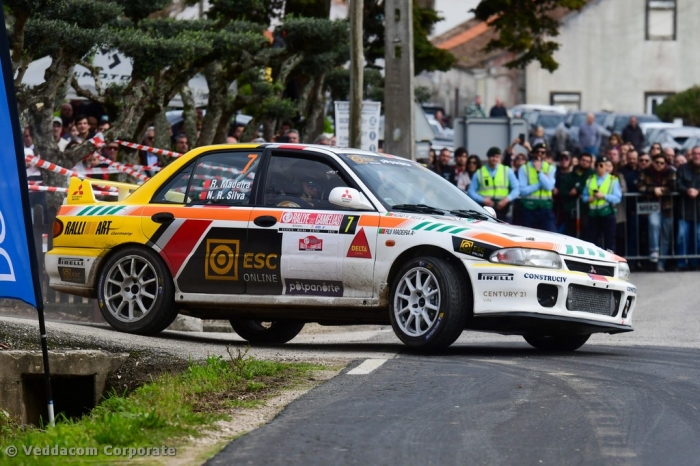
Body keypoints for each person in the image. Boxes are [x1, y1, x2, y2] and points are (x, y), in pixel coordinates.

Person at [638, 152, 676, 272]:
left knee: (666, 236)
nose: (659, 165)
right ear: (652, 162)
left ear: (665, 164)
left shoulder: (670, 171)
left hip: (667, 208)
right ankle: (654, 250)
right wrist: (653, 190)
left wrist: (662, 191)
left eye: (662, 163)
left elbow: (674, 186)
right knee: (653, 224)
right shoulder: (646, 172)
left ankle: (661, 263)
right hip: (653, 206)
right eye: (657, 162)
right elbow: (640, 186)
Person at [468, 147, 520, 221]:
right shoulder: (479, 172)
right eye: (492, 156)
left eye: (497, 157)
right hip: (485, 208)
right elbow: (471, 191)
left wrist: (506, 200)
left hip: (503, 208)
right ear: (488, 157)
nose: (495, 159)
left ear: (500, 157)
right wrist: (482, 200)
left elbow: (516, 188)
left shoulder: (507, 171)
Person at [582, 156, 622, 251]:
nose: (600, 167)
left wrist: (604, 196)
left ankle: (610, 263)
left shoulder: (613, 180)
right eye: (598, 165)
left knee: (609, 242)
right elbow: (584, 197)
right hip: (593, 215)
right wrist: (589, 198)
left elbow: (617, 198)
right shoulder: (590, 180)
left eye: (602, 165)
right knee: (592, 242)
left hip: (607, 214)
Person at [518, 143, 557, 232]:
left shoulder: (550, 168)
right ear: (533, 153)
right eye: (537, 152)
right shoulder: (524, 168)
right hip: (528, 208)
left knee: (552, 234)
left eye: (543, 152)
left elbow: (549, 187)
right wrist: (541, 182)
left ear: (545, 155)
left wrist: (539, 172)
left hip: (545, 207)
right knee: (526, 236)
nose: (540, 154)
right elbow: (523, 191)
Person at [675, 146, 700, 270]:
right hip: (684, 210)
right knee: (682, 236)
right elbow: (677, 183)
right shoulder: (683, 169)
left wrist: (698, 191)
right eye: (694, 153)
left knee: (698, 237)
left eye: (699, 154)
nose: (696, 156)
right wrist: (687, 190)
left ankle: (695, 263)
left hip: (699, 211)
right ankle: (681, 263)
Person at [558, 152, 594, 237]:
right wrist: (570, 193)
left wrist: (578, 189)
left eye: (587, 161)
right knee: (570, 234)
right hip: (570, 210)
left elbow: (591, 188)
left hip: (586, 210)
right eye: (583, 160)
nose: (585, 162)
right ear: (579, 160)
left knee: (586, 234)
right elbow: (563, 190)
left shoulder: (592, 175)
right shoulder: (569, 176)